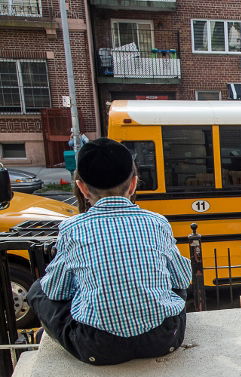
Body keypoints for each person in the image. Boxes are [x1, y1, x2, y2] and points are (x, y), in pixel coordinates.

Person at [27, 138, 192, 365]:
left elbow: (56, 292)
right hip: (163, 340)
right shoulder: (157, 222)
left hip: (99, 347)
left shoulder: (72, 228)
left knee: (38, 289)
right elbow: (182, 279)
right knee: (176, 285)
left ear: (82, 188)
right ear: (133, 184)